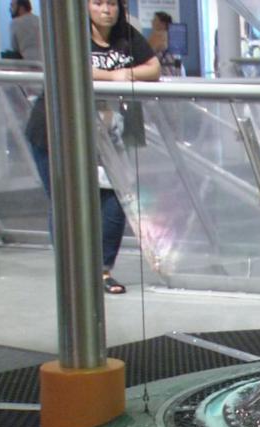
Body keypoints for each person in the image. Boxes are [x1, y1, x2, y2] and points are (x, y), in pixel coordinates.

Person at [25, 0, 160, 294]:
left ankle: (101, 270)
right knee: (67, 203)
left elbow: (154, 67)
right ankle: (71, 272)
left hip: (110, 135)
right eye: (98, 3)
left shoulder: (126, 35)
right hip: (57, 132)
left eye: (111, 3)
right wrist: (114, 76)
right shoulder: (73, 32)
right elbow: (69, 66)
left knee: (116, 200)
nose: (106, 10)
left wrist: (128, 75)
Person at [148, 11, 182, 77]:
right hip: (175, 71)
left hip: (165, 71)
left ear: (162, 24)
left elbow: (146, 53)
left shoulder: (157, 36)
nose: (152, 21)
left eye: (155, 20)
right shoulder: (172, 36)